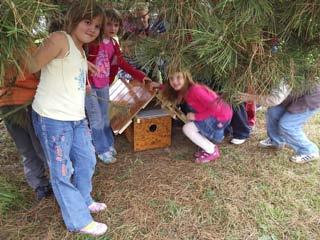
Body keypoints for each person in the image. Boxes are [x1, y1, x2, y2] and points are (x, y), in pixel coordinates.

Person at [27, 1, 108, 236]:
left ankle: (84, 199)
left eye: (96, 26)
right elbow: (32, 64)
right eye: (87, 22)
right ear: (74, 19)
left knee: (87, 160)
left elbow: (69, 70)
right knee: (62, 170)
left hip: (75, 118)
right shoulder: (60, 39)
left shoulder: (80, 49)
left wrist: (85, 69)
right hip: (52, 119)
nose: (92, 28)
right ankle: (79, 220)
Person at [86, 8, 151, 164]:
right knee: (96, 120)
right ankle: (101, 149)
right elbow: (82, 62)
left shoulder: (114, 44)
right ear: (101, 24)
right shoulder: (93, 42)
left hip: (104, 85)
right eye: (108, 24)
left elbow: (122, 63)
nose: (112, 28)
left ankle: (108, 143)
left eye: (116, 25)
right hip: (89, 87)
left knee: (105, 116)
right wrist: (85, 82)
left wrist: (142, 77)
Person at [162, 63, 233, 164]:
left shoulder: (195, 90)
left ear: (186, 77)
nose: (175, 81)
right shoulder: (185, 89)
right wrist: (159, 86)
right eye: (171, 78)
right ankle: (212, 141)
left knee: (187, 128)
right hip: (219, 115)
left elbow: (215, 107)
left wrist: (196, 116)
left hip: (219, 117)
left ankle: (212, 150)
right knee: (191, 124)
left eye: (178, 77)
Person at [0, 65, 51, 201]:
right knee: (40, 146)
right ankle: (52, 182)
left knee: (29, 148)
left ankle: (43, 185)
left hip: (12, 104)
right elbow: (39, 72)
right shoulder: (25, 48)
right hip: (26, 102)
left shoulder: (16, 47)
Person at [239, 81, 320, 163]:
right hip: (293, 92)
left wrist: (249, 97)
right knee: (273, 112)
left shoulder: (283, 78)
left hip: (310, 97)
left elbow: (274, 100)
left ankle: (309, 150)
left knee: (288, 125)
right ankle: (276, 141)